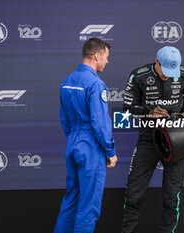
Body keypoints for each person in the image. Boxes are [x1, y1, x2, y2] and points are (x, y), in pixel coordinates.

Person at [122, 46, 184, 232]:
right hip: (149, 139)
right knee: (133, 194)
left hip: (177, 138)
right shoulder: (139, 75)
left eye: (172, 72)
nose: (168, 76)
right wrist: (148, 113)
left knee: (172, 197)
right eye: (165, 72)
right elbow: (127, 107)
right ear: (156, 61)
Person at [54, 37, 118, 233]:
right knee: (88, 206)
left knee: (71, 199)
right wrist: (110, 151)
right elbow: (100, 124)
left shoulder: (66, 82)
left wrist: (74, 139)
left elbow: (64, 119)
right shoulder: (96, 85)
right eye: (106, 57)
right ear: (97, 55)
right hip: (91, 148)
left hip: (72, 144)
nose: (107, 61)